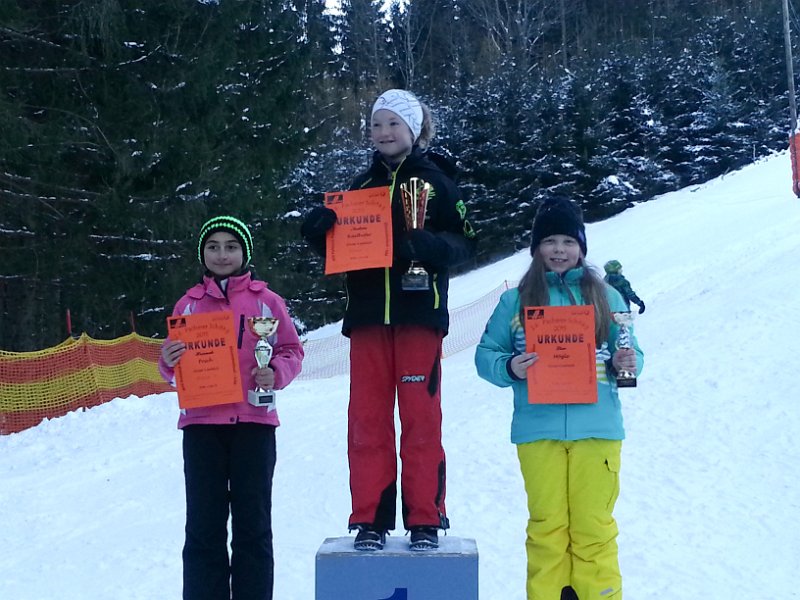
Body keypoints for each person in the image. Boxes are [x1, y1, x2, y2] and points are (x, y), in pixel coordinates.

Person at [300, 89, 476, 551]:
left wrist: (430, 246)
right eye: (376, 124)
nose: (383, 132)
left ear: (414, 129)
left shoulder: (438, 183)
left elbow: (466, 242)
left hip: (418, 315)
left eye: (393, 123)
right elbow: (344, 250)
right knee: (367, 420)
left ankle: (425, 519)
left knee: (421, 419)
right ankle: (370, 519)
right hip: (367, 320)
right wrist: (319, 235)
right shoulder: (359, 187)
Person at [474, 197, 643, 600]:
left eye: (568, 241)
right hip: (539, 431)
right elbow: (485, 355)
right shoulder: (515, 301)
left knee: (593, 528)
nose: (559, 250)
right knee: (547, 528)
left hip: (597, 430)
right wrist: (510, 367)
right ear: (536, 248)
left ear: (581, 247)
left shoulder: (606, 297)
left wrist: (625, 361)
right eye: (549, 241)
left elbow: (632, 355)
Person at [158, 215, 304, 600]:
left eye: (231, 246)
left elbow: (291, 349)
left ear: (245, 252)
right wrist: (168, 362)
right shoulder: (188, 304)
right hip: (201, 427)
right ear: (202, 253)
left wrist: (275, 371)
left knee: (252, 527)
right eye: (213, 247)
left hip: (254, 423)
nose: (222, 255)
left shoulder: (267, 301)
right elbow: (172, 366)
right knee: (203, 527)